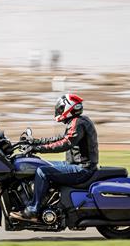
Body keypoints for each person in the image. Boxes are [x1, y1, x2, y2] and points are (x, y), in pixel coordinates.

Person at [9, 94, 98, 222]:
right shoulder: (77, 122)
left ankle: (33, 210)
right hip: (74, 165)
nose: (59, 111)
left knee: (43, 172)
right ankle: (44, 200)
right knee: (40, 164)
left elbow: (64, 144)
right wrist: (34, 142)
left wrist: (37, 149)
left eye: (61, 108)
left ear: (69, 108)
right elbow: (59, 138)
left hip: (82, 169)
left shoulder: (78, 123)